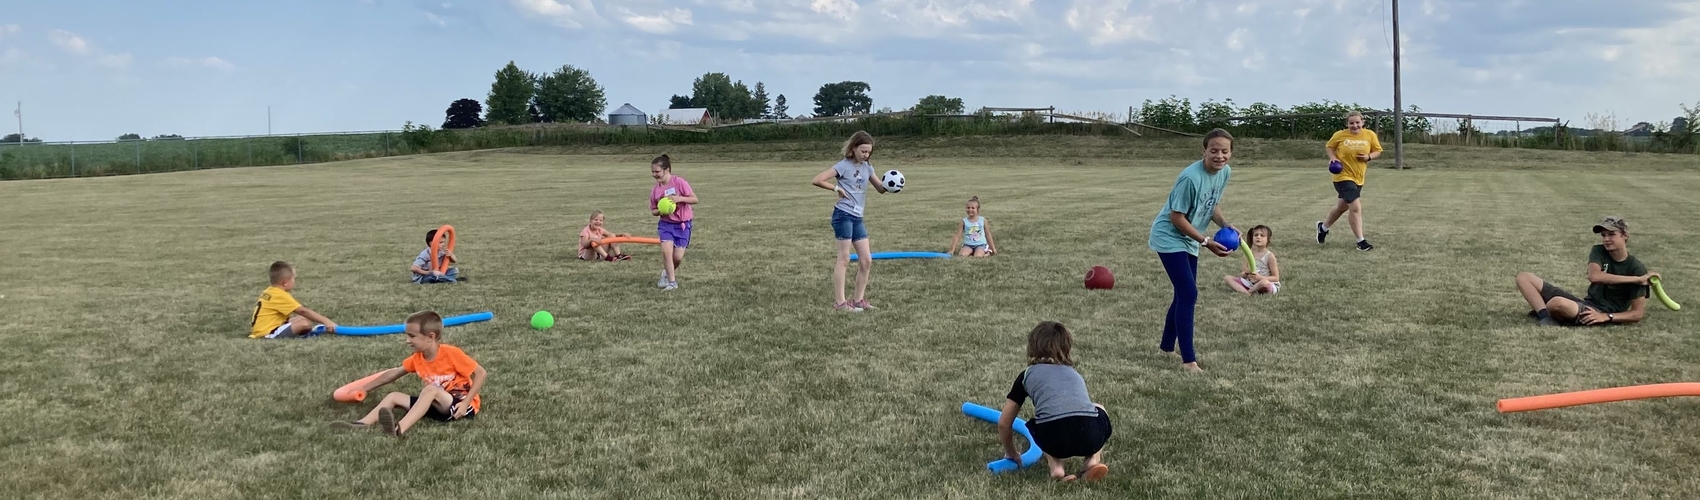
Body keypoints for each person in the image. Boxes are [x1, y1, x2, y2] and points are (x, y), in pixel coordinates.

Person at [1148, 128, 1238, 371]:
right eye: (1214, 151)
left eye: (1225, 151)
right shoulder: (1190, 178)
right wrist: (1206, 241)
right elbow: (1176, 217)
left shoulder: (1224, 172)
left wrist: (1226, 224)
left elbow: (1211, 204)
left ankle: (1166, 347)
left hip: (1190, 237)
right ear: (1204, 151)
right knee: (1188, 293)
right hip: (1170, 236)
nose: (1220, 156)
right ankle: (1189, 361)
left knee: (1183, 293)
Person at [330, 311, 487, 437]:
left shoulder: (451, 354)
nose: (407, 340)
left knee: (431, 389)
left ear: (430, 337)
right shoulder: (418, 358)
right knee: (393, 396)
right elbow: (394, 374)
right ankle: (362, 424)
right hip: (435, 405)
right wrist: (365, 389)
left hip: (459, 406)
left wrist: (466, 402)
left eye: (412, 336)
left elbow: (481, 373)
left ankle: (400, 429)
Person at [996, 321, 1111, 482]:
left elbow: (1004, 423)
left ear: (1033, 346)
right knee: (1098, 408)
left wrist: (1011, 452)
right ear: (1066, 348)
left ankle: (1056, 466)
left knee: (1041, 422)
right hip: (1090, 435)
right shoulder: (1073, 373)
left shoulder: (1027, 375)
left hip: (1054, 438)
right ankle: (1092, 459)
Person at [1514, 217, 1656, 326]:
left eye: (1611, 234)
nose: (1606, 239)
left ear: (1625, 236)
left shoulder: (1636, 268)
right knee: (1524, 278)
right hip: (1586, 304)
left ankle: (1550, 313)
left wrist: (1607, 317)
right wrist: (1636, 279)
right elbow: (1594, 276)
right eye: (1603, 235)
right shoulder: (1599, 251)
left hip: (1600, 312)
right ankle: (1546, 317)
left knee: (1556, 303)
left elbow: (1637, 314)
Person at [811, 131, 887, 312]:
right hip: (843, 215)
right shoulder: (843, 166)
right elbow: (817, 180)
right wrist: (836, 188)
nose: (866, 155)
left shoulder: (868, 168)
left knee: (866, 260)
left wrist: (893, 184)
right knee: (844, 259)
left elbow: (881, 189)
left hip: (857, 217)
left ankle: (859, 300)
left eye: (868, 152)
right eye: (863, 151)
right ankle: (840, 303)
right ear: (853, 148)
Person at [1316, 110, 1383, 251]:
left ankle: (1323, 228)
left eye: (1357, 122)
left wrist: (1368, 157)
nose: (1355, 125)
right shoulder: (1340, 135)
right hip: (1342, 177)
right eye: (1351, 123)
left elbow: (1378, 151)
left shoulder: (1370, 135)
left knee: (1342, 207)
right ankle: (1361, 242)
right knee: (1355, 207)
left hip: (1358, 177)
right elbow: (1329, 146)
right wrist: (1332, 157)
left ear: (1362, 122)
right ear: (1347, 124)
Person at [248, 261, 337, 338]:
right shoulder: (280, 295)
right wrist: (326, 321)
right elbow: (303, 311)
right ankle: (302, 335)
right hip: (267, 333)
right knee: (304, 323)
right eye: (293, 278)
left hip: (262, 329)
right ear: (285, 282)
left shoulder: (270, 291)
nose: (295, 281)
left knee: (303, 319)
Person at [650, 154, 698, 291]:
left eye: (657, 171)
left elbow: (695, 199)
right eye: (653, 172)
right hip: (666, 224)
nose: (654, 175)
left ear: (667, 170)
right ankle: (672, 283)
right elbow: (653, 210)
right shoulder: (655, 190)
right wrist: (660, 210)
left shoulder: (679, 182)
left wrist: (679, 199)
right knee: (666, 252)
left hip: (683, 224)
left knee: (677, 257)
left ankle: (666, 274)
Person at [1224, 225, 1281, 295]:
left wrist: (1260, 278)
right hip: (1250, 283)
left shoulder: (1270, 256)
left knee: (1264, 282)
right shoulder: (1247, 254)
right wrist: (1245, 273)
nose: (1258, 237)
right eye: (1256, 235)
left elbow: (1276, 278)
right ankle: (1247, 292)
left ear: (1268, 239)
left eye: (1262, 235)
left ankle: (1249, 292)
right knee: (1227, 278)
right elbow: (1242, 274)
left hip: (1266, 283)